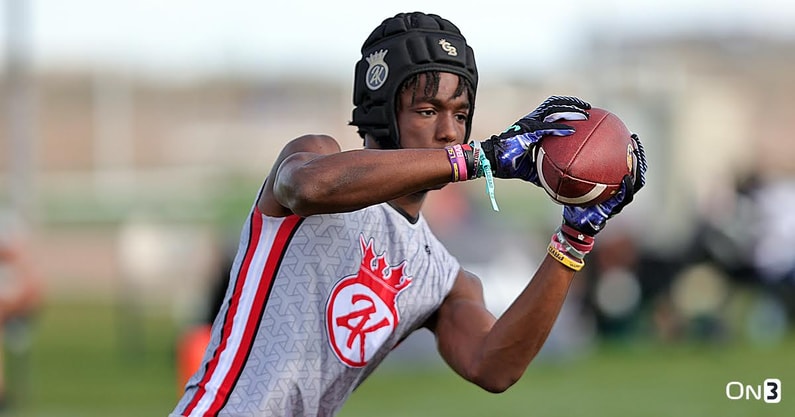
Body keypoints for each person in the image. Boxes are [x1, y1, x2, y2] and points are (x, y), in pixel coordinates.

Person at [170, 11, 647, 417]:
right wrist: (476, 159)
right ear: (380, 112)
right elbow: (309, 186)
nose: (448, 131)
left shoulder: (441, 276)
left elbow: (494, 367)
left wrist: (574, 240)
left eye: (460, 115)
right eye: (426, 110)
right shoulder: (315, 158)